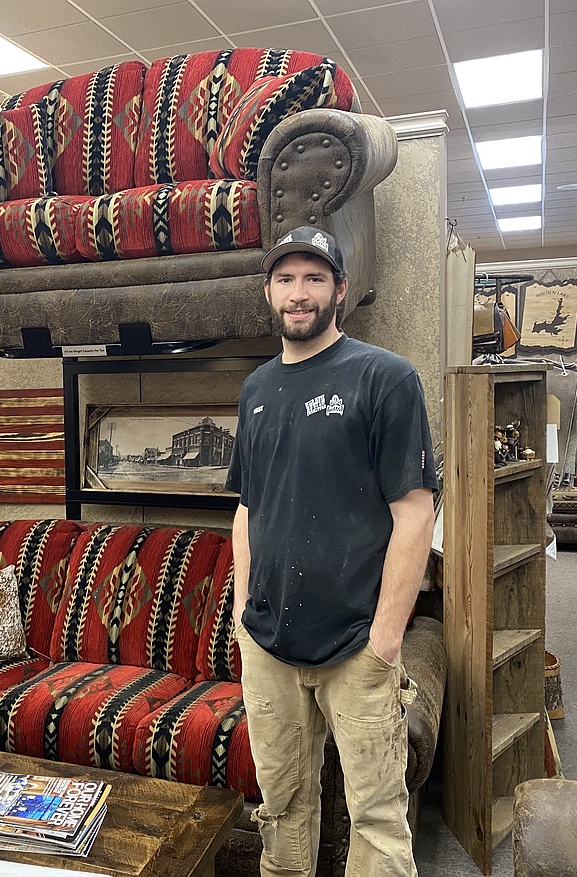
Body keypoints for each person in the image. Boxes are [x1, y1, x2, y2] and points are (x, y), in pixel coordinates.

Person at [226, 226, 437, 877]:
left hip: (356, 649)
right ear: (268, 291)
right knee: (282, 810)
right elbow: (247, 508)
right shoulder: (257, 389)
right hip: (270, 646)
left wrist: (385, 640)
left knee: (376, 821)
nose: (299, 292)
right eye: (286, 278)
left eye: (314, 277)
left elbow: (416, 512)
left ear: (340, 289)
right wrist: (242, 613)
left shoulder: (385, 378)